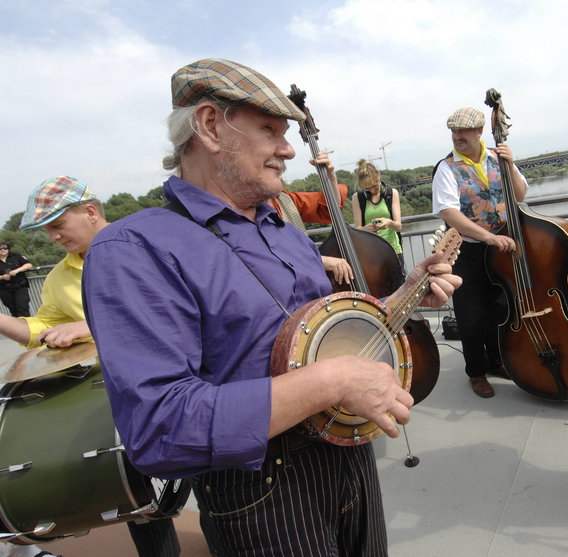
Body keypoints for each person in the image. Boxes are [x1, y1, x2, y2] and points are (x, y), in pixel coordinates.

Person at [81, 57, 460, 557]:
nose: (287, 149)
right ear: (211, 126)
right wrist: (334, 382)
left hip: (350, 461)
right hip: (260, 491)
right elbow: (160, 430)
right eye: (270, 130)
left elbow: (318, 340)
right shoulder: (133, 249)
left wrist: (402, 297)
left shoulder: (283, 230)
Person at [1, 177, 182, 557]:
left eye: (57, 226)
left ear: (90, 212)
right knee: (130, 480)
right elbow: (42, 328)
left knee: (209, 472)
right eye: (46, 230)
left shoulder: (147, 243)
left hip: (179, 380)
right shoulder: (58, 277)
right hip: (120, 393)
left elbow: (170, 306)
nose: (52, 237)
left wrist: (88, 325)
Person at [431, 106, 527, 398]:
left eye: (462, 131)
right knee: (471, 315)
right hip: (469, 252)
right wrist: (487, 237)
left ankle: (497, 362)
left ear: (479, 132)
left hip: (503, 247)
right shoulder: (446, 167)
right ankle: (476, 371)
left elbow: (520, 196)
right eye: (453, 131)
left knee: (501, 308)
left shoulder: (499, 157)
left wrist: (510, 167)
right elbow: (449, 213)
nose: (457, 136)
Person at [269, 153, 354, 285]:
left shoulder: (285, 199)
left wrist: (330, 178)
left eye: (281, 172)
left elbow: (330, 208)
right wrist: (322, 261)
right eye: (274, 172)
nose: (280, 178)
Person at [352, 159, 405, 274]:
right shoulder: (357, 197)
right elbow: (357, 229)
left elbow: (398, 227)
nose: (371, 190)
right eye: (367, 189)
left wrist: (389, 222)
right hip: (370, 252)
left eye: (375, 187)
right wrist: (365, 230)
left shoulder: (392, 193)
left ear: (379, 178)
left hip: (393, 250)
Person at [0, 243, 33, 317]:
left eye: (5, 248)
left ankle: (26, 327)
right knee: (13, 309)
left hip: (20, 286)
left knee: (23, 307)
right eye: (0, 249)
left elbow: (28, 265)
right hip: (4, 288)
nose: (2, 250)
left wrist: (16, 271)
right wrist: (2, 277)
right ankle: (17, 326)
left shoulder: (16, 256)